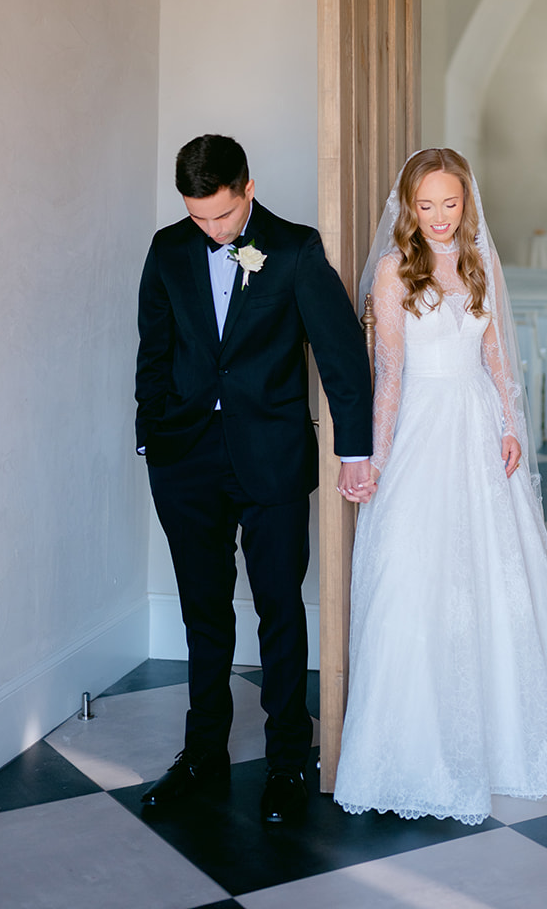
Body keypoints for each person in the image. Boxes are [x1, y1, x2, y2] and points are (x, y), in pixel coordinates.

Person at [333, 147, 547, 825]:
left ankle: (506, 736)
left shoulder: (479, 261)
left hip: (479, 424)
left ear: (467, 202)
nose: (436, 217)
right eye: (424, 205)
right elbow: (390, 377)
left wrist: (510, 420)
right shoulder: (390, 272)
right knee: (417, 575)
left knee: (493, 573)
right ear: (408, 207)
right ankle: (410, 746)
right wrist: (372, 457)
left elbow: (496, 356)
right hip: (421, 434)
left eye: (449, 203)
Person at [135, 134, 374, 823]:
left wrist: (353, 451)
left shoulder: (295, 248)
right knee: (203, 613)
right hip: (185, 460)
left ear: (247, 188)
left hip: (269, 459)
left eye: (220, 215)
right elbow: (153, 350)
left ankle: (285, 763)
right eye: (196, 215)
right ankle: (202, 750)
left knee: (277, 610)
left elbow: (340, 357)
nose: (208, 229)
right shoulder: (167, 249)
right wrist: (154, 436)